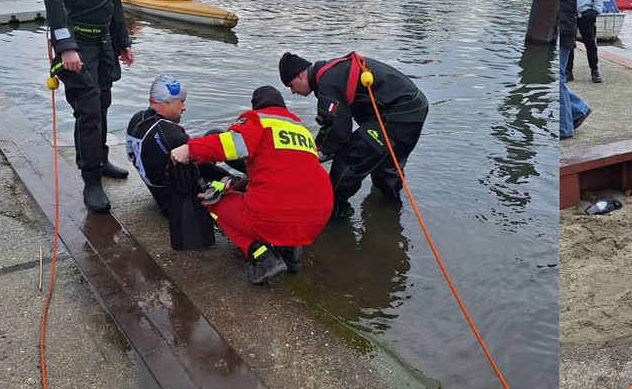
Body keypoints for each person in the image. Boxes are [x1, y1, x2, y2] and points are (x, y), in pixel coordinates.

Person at [170, 86, 332, 283]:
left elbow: (227, 145)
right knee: (290, 201)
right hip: (318, 216)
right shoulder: (301, 130)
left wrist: (190, 149)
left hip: (273, 215)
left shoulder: (257, 120)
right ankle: (291, 256)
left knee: (211, 200)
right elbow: (286, 172)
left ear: (256, 107)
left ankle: (262, 256)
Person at [44, 0, 140, 212]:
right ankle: (91, 181)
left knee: (103, 103)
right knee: (88, 108)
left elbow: (113, 4)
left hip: (102, 44)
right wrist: (66, 46)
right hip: (76, 45)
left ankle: (100, 159)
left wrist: (123, 41)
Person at [279, 51, 429, 219]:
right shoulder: (332, 71)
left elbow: (339, 133)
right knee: (385, 167)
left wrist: (314, 154)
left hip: (399, 113)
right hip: (414, 106)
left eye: (290, 85)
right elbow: (337, 125)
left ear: (300, 75)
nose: (292, 92)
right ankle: (389, 216)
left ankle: (335, 216)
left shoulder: (327, 83)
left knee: (349, 158)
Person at [125, 75, 232, 216]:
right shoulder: (170, 134)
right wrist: (235, 181)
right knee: (231, 179)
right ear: (167, 102)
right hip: (179, 204)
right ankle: (249, 180)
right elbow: (208, 170)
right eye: (181, 102)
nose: (184, 107)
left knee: (214, 135)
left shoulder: (138, 118)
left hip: (159, 190)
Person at [559, 0, 590, 139]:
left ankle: (565, 127)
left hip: (561, 29)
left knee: (556, 80)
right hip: (562, 28)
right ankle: (578, 109)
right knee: (557, 79)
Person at [562, 0, 603, 83]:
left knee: (590, 44)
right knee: (568, 44)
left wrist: (596, 10)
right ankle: (568, 71)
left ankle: (594, 70)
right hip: (568, 14)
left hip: (586, 13)